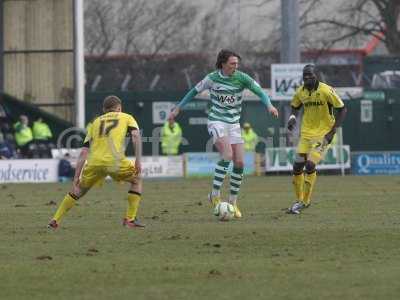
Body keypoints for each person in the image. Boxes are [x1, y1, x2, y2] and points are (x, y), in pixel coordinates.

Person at [170, 49, 278, 218]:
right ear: (223, 64)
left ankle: (233, 202)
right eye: (232, 63)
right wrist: (178, 108)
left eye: (237, 63)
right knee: (227, 155)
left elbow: (260, 91)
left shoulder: (242, 78)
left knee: (240, 162)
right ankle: (214, 193)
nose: (236, 66)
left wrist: (269, 105)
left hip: (233, 124)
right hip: (217, 121)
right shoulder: (212, 78)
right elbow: (194, 91)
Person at [48, 95, 145, 229]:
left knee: (79, 190)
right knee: (137, 180)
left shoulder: (96, 122)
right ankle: (130, 219)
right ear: (119, 108)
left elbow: (84, 151)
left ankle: (55, 219)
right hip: (114, 161)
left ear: (104, 110)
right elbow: (135, 136)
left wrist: (76, 176)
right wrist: (138, 161)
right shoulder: (127, 117)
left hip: (94, 163)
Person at [287, 64, 346, 214]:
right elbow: (295, 105)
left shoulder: (326, 90)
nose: (307, 78)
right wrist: (293, 117)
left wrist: (332, 132)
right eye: (305, 76)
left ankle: (305, 202)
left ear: (316, 76)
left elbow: (342, 109)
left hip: (323, 134)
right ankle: (299, 200)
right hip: (306, 134)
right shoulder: (300, 92)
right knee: (297, 167)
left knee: (310, 165)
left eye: (310, 76)